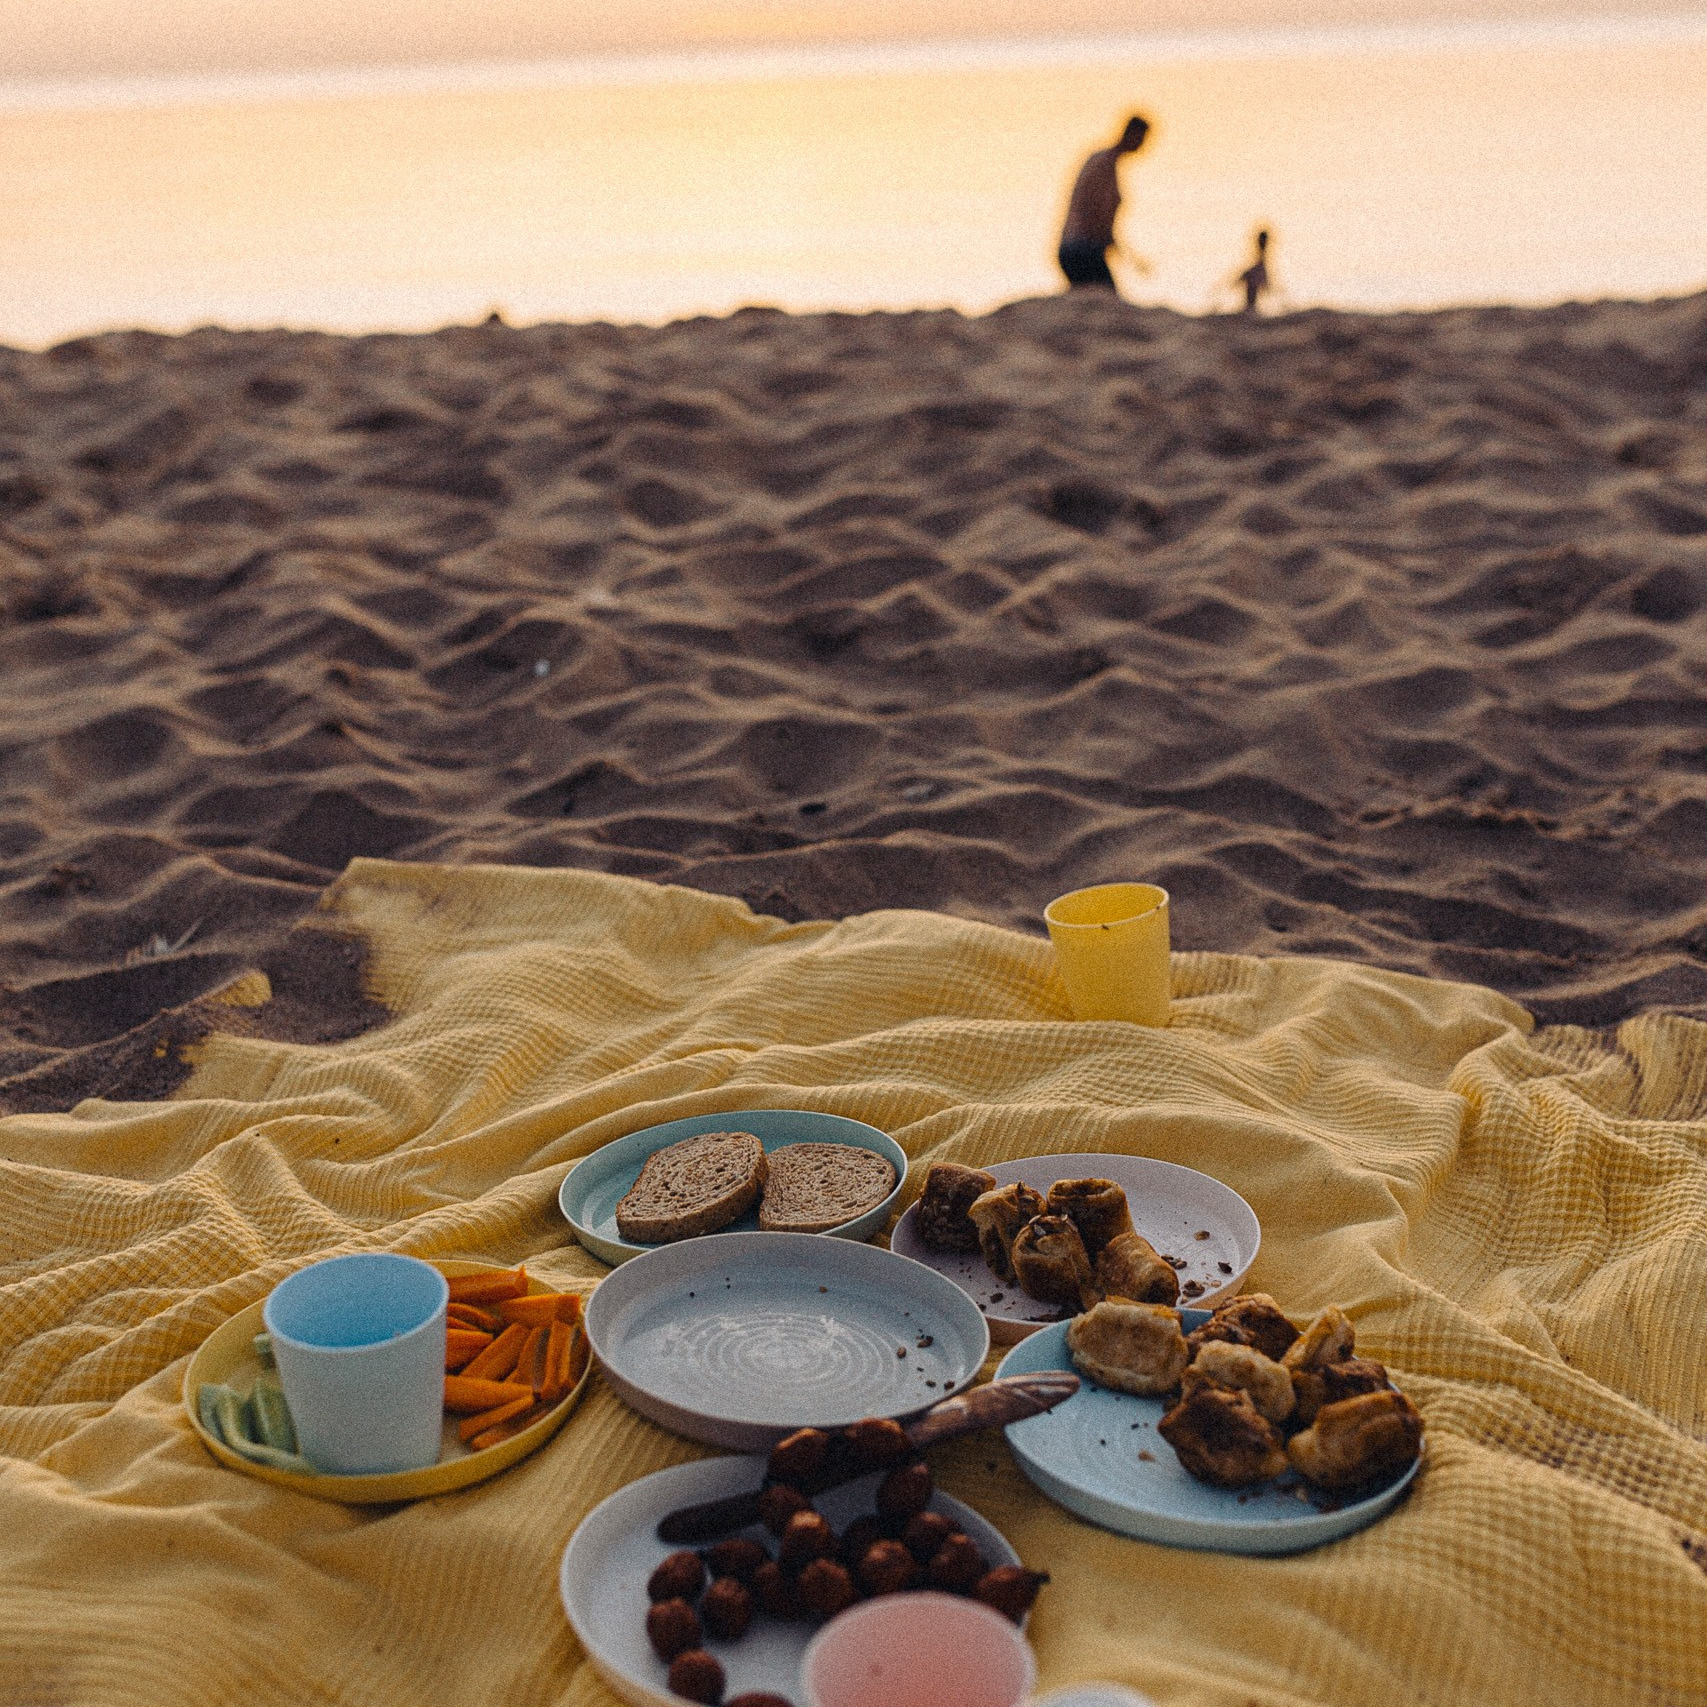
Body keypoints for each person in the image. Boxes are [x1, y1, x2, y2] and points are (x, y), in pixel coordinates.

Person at [1057, 114, 1151, 293]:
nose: (1143, 145)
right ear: (1132, 133)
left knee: (1092, 296)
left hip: (1081, 247)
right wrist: (1106, 239)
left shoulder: (1105, 162)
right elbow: (1095, 209)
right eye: (1142, 138)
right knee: (1104, 296)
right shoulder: (1103, 164)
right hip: (1081, 249)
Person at [1237, 228, 1272, 313]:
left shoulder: (1259, 267)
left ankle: (1250, 308)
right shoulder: (1258, 268)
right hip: (1250, 309)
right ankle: (1250, 308)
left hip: (1252, 309)